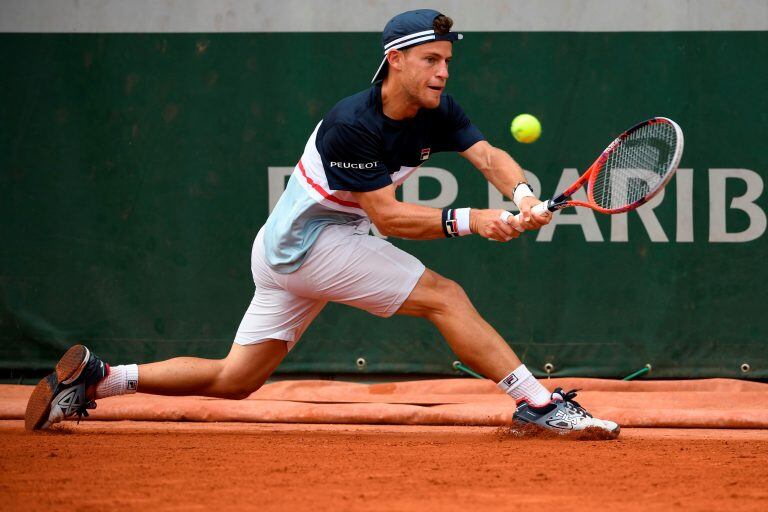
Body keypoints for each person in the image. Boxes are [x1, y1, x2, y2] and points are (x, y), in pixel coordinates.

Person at [25, 9, 619, 436]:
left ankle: (102, 379)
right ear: (395, 61)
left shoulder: (438, 108)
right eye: (431, 60)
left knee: (237, 379)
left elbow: (487, 156)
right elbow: (387, 216)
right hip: (308, 247)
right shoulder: (351, 124)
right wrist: (475, 221)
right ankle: (539, 406)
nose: (443, 71)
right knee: (445, 296)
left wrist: (520, 194)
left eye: (448, 61)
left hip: (290, 248)